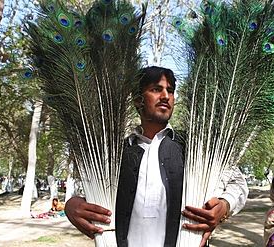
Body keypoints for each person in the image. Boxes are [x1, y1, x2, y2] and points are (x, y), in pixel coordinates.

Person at [65, 66, 249, 247]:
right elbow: (88, 194)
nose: (165, 96)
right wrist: (70, 205)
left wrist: (224, 206)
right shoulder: (114, 154)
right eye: (156, 89)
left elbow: (238, 183)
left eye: (170, 91)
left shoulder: (195, 146)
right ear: (138, 100)